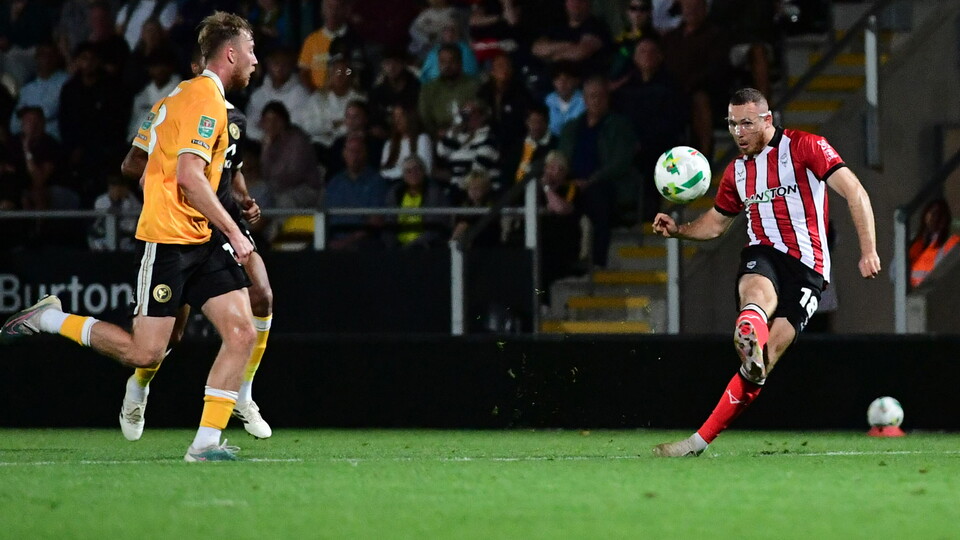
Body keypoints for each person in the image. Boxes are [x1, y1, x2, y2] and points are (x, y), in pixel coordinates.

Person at [2, 12, 260, 462]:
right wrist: (233, 229)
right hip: (169, 243)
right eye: (251, 51)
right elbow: (189, 176)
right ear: (231, 53)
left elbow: (132, 166)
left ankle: (205, 445)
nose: (256, 60)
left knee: (240, 331)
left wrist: (160, 187)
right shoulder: (204, 100)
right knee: (146, 352)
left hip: (200, 238)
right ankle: (48, 319)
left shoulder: (172, 98)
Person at [651, 88, 881, 457]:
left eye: (746, 123)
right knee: (755, 293)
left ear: (767, 120)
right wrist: (679, 230)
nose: (739, 132)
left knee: (766, 361)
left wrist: (868, 249)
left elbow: (855, 192)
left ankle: (749, 360)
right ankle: (746, 338)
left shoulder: (806, 147)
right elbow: (715, 224)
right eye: (733, 124)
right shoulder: (737, 171)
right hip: (764, 252)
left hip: (809, 270)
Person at [118, 44, 275, 443]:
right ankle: (139, 384)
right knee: (165, 339)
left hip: (219, 221)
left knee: (261, 296)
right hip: (180, 223)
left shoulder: (232, 116)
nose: (255, 61)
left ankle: (240, 396)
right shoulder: (177, 105)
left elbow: (232, 165)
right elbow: (136, 164)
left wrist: (242, 200)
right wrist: (160, 183)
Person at [382, 155, 449, 249]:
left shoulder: (434, 193)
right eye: (408, 171)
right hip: (398, 246)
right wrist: (392, 245)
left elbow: (434, 227)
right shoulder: (395, 192)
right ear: (403, 176)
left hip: (425, 246)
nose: (413, 174)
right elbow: (389, 221)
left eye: (417, 169)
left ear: (423, 172)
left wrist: (411, 247)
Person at [909, 198, 960, 288]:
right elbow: (894, 272)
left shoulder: (952, 242)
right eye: (932, 213)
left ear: (945, 219)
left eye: (939, 214)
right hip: (910, 295)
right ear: (925, 215)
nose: (935, 217)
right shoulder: (915, 242)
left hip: (936, 293)